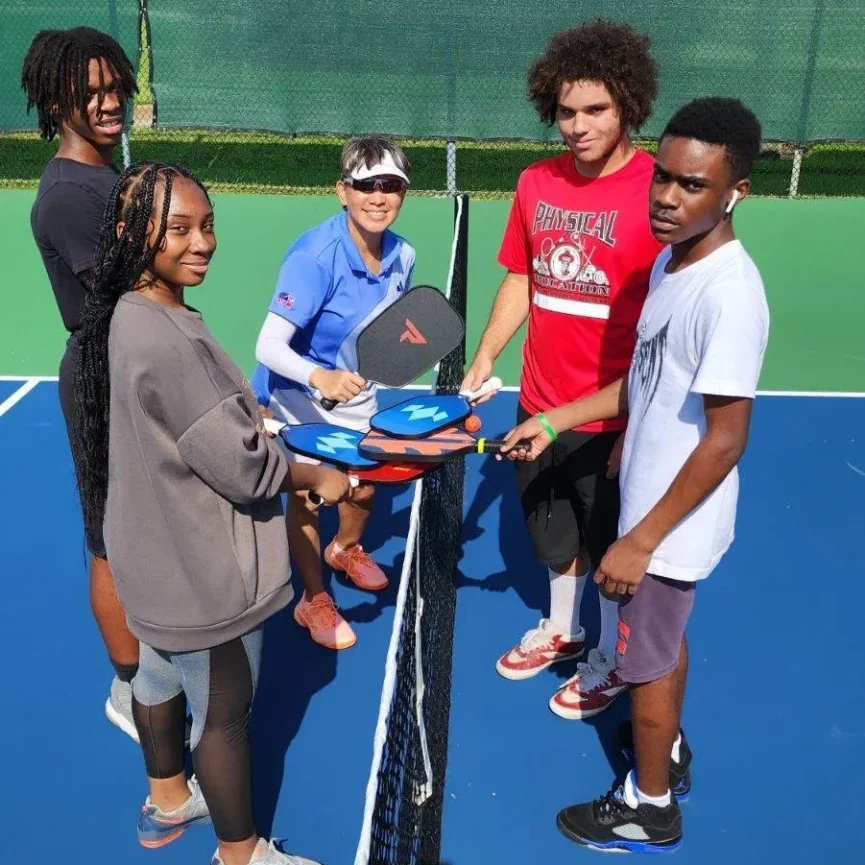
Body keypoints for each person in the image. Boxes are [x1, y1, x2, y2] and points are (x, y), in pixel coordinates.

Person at [502, 96, 768, 853]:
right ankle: (669, 750)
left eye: (690, 186)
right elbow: (643, 381)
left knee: (642, 664)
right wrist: (554, 419)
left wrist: (638, 542)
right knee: (660, 642)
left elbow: (724, 439)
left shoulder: (728, 295)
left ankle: (647, 803)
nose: (665, 198)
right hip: (648, 503)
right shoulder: (669, 259)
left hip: (665, 527)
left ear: (732, 192)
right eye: (661, 177)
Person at [73, 161, 350, 865]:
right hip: (203, 575)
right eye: (179, 229)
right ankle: (241, 854)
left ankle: (167, 800)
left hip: (146, 561)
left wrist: (236, 415)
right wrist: (318, 474)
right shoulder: (167, 338)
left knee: (156, 679)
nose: (202, 242)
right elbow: (243, 466)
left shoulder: (119, 317)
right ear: (132, 234)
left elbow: (179, 424)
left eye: (208, 224)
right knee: (225, 717)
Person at [460, 20, 662, 717]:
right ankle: (563, 629)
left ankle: (609, 656)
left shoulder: (657, 194)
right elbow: (522, 277)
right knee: (551, 534)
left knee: (609, 550)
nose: (576, 126)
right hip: (538, 401)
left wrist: (637, 426)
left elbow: (667, 329)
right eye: (566, 112)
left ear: (628, 104)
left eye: (595, 110)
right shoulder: (534, 183)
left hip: (615, 415)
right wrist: (488, 349)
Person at [22, 26, 142, 740]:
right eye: (87, 93)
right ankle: (131, 689)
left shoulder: (108, 174)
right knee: (108, 538)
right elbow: (130, 294)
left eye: (112, 87)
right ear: (56, 101)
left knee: (144, 525)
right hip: (102, 379)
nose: (106, 103)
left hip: (135, 366)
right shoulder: (68, 195)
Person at [252, 135, 416, 651]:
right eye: (366, 185)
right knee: (310, 495)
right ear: (342, 191)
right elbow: (268, 345)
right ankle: (313, 599)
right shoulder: (314, 257)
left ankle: (344, 548)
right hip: (296, 394)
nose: (378, 196)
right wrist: (319, 378)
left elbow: (388, 332)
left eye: (390, 186)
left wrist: (383, 370)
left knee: (364, 487)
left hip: (354, 392)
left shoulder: (403, 256)